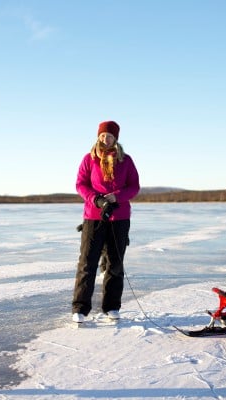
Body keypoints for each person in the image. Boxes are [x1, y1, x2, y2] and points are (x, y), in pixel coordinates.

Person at [72, 120, 140, 323]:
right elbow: (80, 184)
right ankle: (80, 308)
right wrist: (97, 199)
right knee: (87, 262)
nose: (105, 138)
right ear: (98, 136)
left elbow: (134, 186)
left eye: (109, 135)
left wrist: (116, 197)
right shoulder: (89, 159)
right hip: (93, 217)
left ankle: (111, 307)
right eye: (102, 135)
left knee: (115, 263)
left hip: (119, 218)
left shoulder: (125, 160)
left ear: (115, 138)